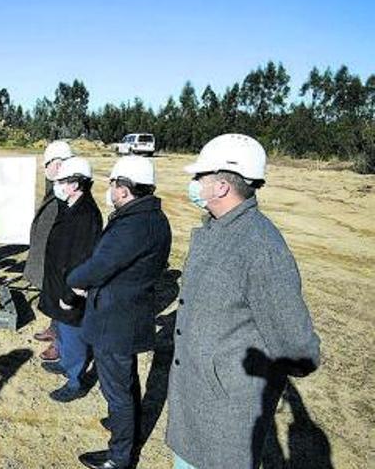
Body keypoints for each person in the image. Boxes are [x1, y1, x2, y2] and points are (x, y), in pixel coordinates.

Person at [167, 134, 321, 469]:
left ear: (221, 186)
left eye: (199, 177)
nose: (193, 183)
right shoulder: (217, 229)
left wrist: (237, 374)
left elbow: (300, 350)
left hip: (225, 411)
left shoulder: (260, 248)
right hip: (196, 401)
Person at [66, 156, 172, 469]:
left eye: (113, 183)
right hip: (124, 312)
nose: (109, 189)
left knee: (118, 390)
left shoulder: (135, 224)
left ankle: (120, 457)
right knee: (125, 383)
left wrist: (74, 281)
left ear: (124, 189)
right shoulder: (147, 216)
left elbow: (103, 264)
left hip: (116, 319)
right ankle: (126, 428)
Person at [37, 157, 103, 402]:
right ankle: (65, 362)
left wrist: (70, 294)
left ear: (75, 184)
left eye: (62, 181)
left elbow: (82, 260)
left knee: (73, 332)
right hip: (59, 283)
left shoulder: (86, 215)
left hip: (70, 289)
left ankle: (75, 381)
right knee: (63, 331)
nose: (58, 185)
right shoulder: (71, 206)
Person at [24, 140, 74, 362]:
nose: (46, 169)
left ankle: (59, 344)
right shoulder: (57, 187)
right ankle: (54, 329)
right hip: (49, 254)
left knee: (61, 298)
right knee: (52, 295)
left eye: (50, 164)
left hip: (61, 259)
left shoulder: (69, 192)